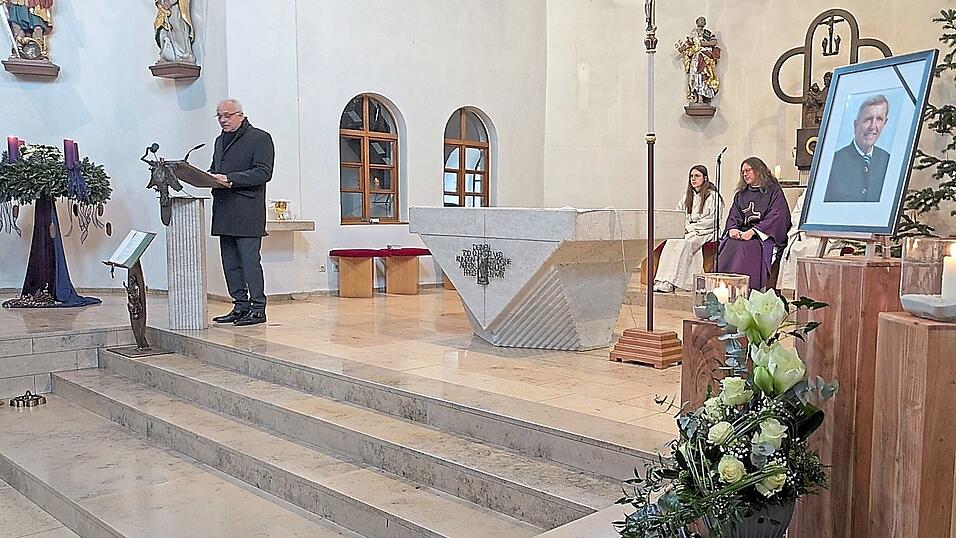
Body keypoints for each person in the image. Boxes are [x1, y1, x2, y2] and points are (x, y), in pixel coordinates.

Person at [209, 99, 275, 327]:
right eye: (219, 116)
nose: (223, 120)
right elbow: (214, 170)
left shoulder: (260, 138)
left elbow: (263, 172)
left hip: (247, 211)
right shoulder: (219, 141)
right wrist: (204, 176)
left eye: (227, 115)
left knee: (249, 261)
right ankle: (240, 305)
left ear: (240, 115)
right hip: (224, 210)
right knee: (230, 263)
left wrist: (230, 178)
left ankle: (258, 308)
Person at [717, 157, 792, 291]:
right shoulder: (741, 194)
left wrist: (752, 232)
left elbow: (777, 216)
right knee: (728, 244)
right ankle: (724, 289)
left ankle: (745, 290)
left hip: (762, 236)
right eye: (742, 172)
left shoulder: (773, 191)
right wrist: (733, 229)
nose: (745, 174)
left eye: (748, 170)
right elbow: (734, 215)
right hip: (743, 234)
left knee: (745, 249)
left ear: (759, 170)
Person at [653, 165, 720, 293]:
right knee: (671, 241)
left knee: (685, 244)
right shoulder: (687, 196)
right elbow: (679, 215)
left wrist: (691, 228)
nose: (693, 179)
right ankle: (662, 279)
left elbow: (712, 220)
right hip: (688, 230)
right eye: (691, 176)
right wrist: (684, 227)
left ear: (705, 178)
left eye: (697, 176)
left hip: (705, 231)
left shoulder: (712, 197)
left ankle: (673, 282)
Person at [824, 94, 890, 203]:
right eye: (868, 119)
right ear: (856, 124)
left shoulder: (888, 161)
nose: (873, 126)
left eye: (879, 119)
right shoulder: (832, 162)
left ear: (885, 123)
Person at [675, 16, 721, 104]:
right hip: (696, 57)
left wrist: (703, 43)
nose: (702, 21)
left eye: (704, 20)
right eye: (701, 20)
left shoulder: (707, 33)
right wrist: (682, 48)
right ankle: (695, 96)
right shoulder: (693, 34)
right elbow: (688, 44)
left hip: (704, 57)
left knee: (702, 76)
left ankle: (701, 98)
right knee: (694, 75)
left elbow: (714, 42)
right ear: (697, 22)